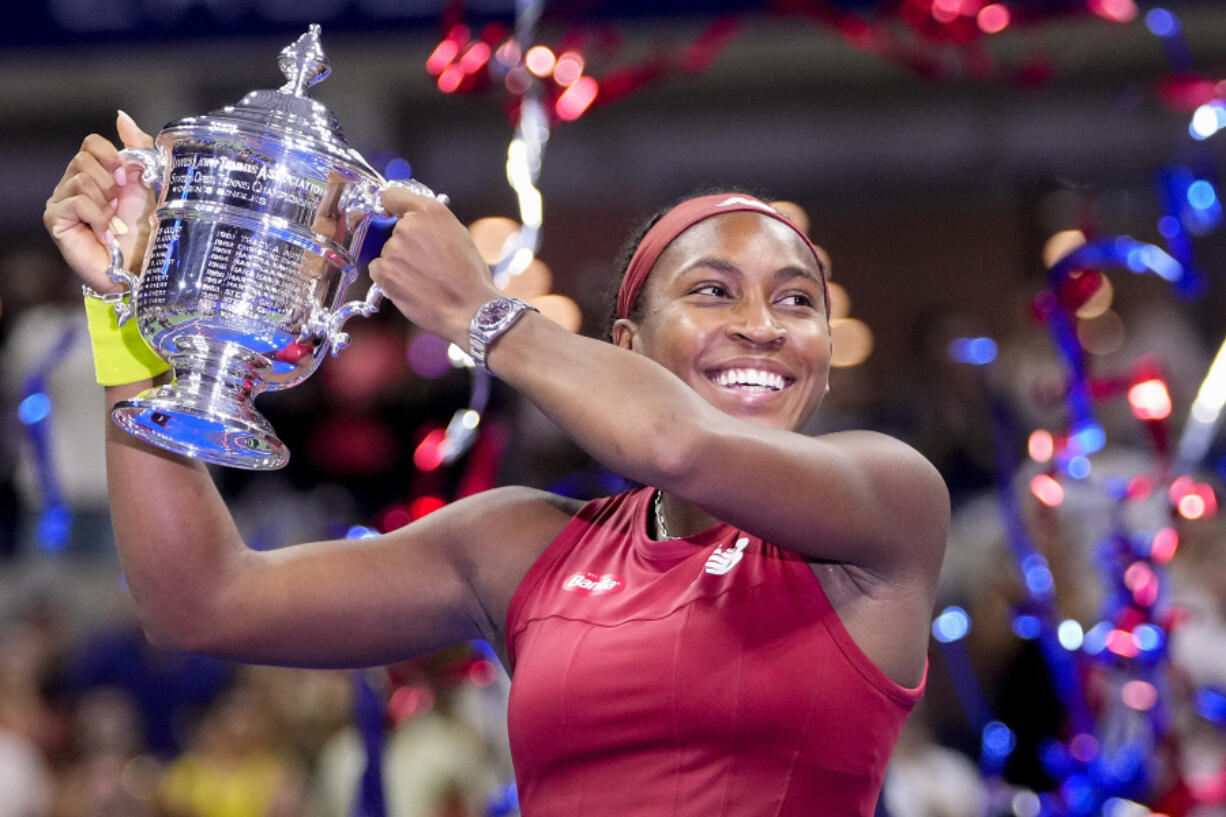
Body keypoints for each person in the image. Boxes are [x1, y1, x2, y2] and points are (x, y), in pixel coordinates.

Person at [42, 112, 950, 817]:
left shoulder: (887, 499)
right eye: (714, 290)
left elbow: (677, 444)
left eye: (798, 301)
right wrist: (127, 315)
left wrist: (483, 314)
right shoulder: (523, 544)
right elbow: (199, 598)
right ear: (627, 342)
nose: (762, 323)